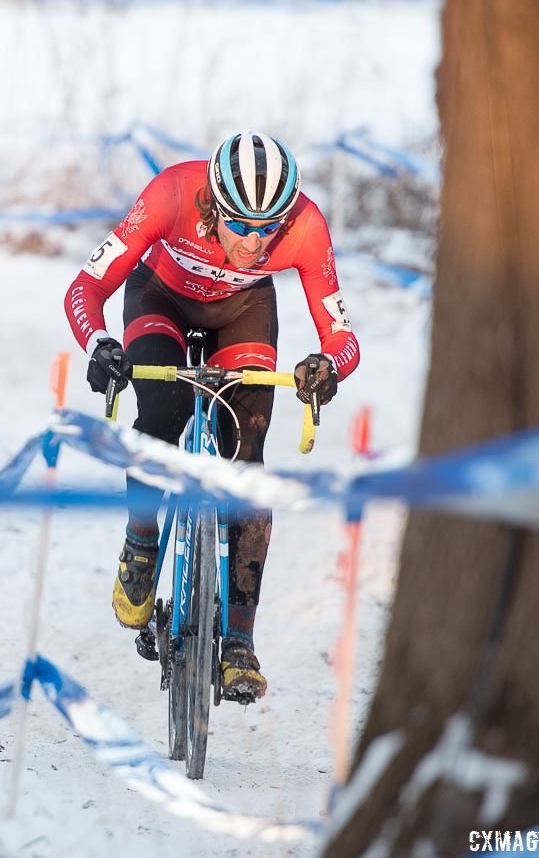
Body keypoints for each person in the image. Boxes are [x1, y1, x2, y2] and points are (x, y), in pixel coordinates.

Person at [63, 131, 360, 703]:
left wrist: (327, 364)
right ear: (213, 205)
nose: (254, 242)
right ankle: (143, 545)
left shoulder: (305, 225)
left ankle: (240, 643)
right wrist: (100, 343)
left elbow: (342, 335)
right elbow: (86, 287)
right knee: (163, 410)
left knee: (247, 456)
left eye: (266, 229)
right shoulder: (171, 193)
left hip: (243, 310)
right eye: (241, 226)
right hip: (161, 301)